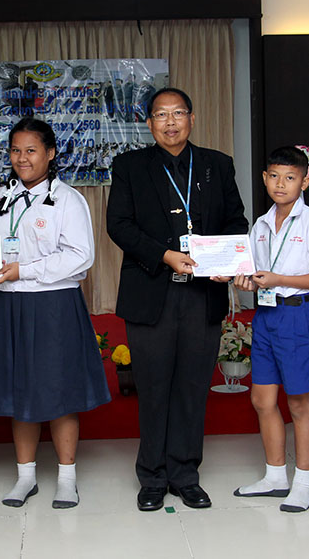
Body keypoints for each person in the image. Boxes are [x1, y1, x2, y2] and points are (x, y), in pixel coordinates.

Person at [106, 87, 248, 512]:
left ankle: (185, 474)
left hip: (202, 292)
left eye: (178, 113)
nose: (170, 122)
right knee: (152, 387)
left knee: (191, 386)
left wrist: (226, 260)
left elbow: (235, 221)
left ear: (191, 118)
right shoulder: (130, 166)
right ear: (149, 123)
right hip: (152, 289)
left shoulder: (217, 165)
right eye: (161, 115)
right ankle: (152, 476)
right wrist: (164, 255)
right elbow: (120, 225)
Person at [0, 118, 111, 509]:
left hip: (53, 305)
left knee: (59, 390)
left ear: (50, 154)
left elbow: (80, 257)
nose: (22, 158)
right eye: (15, 151)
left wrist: (25, 270)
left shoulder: (68, 199)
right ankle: (26, 477)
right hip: (8, 304)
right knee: (19, 390)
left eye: (31, 151)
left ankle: (67, 478)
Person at [232, 146, 309, 513]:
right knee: (262, 400)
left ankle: (303, 482)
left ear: (305, 181)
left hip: (298, 316)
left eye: (290, 178)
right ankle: (275, 475)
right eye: (275, 177)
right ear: (265, 178)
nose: (281, 184)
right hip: (265, 316)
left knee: (298, 402)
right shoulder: (261, 224)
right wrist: (242, 279)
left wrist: (280, 279)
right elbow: (254, 272)